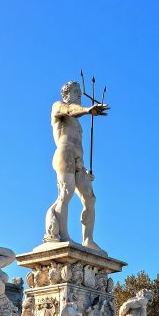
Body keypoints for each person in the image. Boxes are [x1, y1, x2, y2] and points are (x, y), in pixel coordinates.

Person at [43, 81, 109, 253]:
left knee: (90, 199)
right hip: (64, 155)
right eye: (75, 91)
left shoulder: (78, 124)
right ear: (65, 95)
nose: (79, 93)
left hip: (79, 161)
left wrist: (84, 167)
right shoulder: (58, 106)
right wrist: (87, 110)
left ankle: (88, 240)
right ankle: (62, 235)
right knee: (66, 193)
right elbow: (70, 110)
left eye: (80, 91)